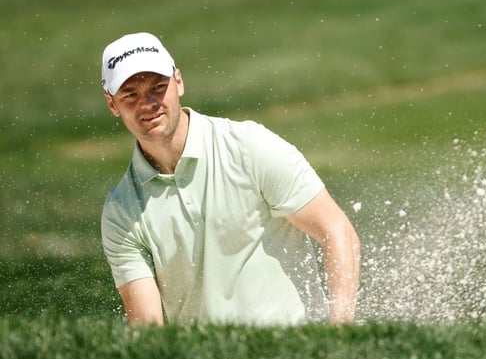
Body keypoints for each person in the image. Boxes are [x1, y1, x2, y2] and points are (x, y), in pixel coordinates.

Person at [99, 32, 360, 327]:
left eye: (158, 87)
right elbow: (148, 328)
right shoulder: (121, 211)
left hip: (295, 347)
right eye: (130, 95)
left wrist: (340, 332)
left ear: (179, 81)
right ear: (112, 104)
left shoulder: (249, 147)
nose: (148, 103)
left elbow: (337, 231)